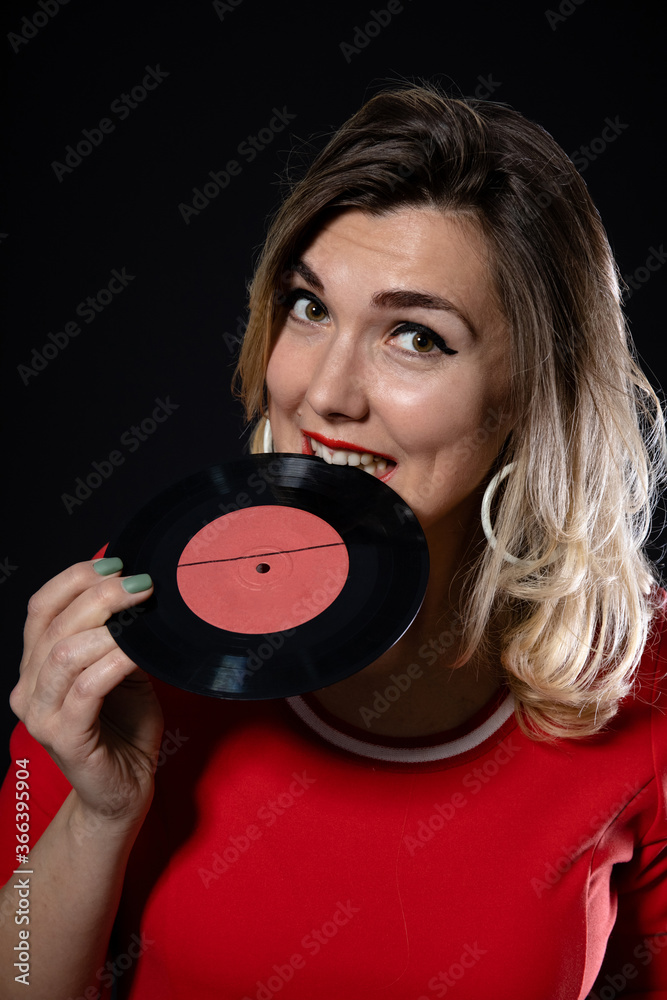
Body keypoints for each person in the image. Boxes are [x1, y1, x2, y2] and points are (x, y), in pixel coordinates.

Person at [1, 83, 666, 999]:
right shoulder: (132, 630)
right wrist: (95, 813)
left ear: (532, 393)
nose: (324, 393)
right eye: (309, 307)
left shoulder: (640, 675)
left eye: (413, 336)